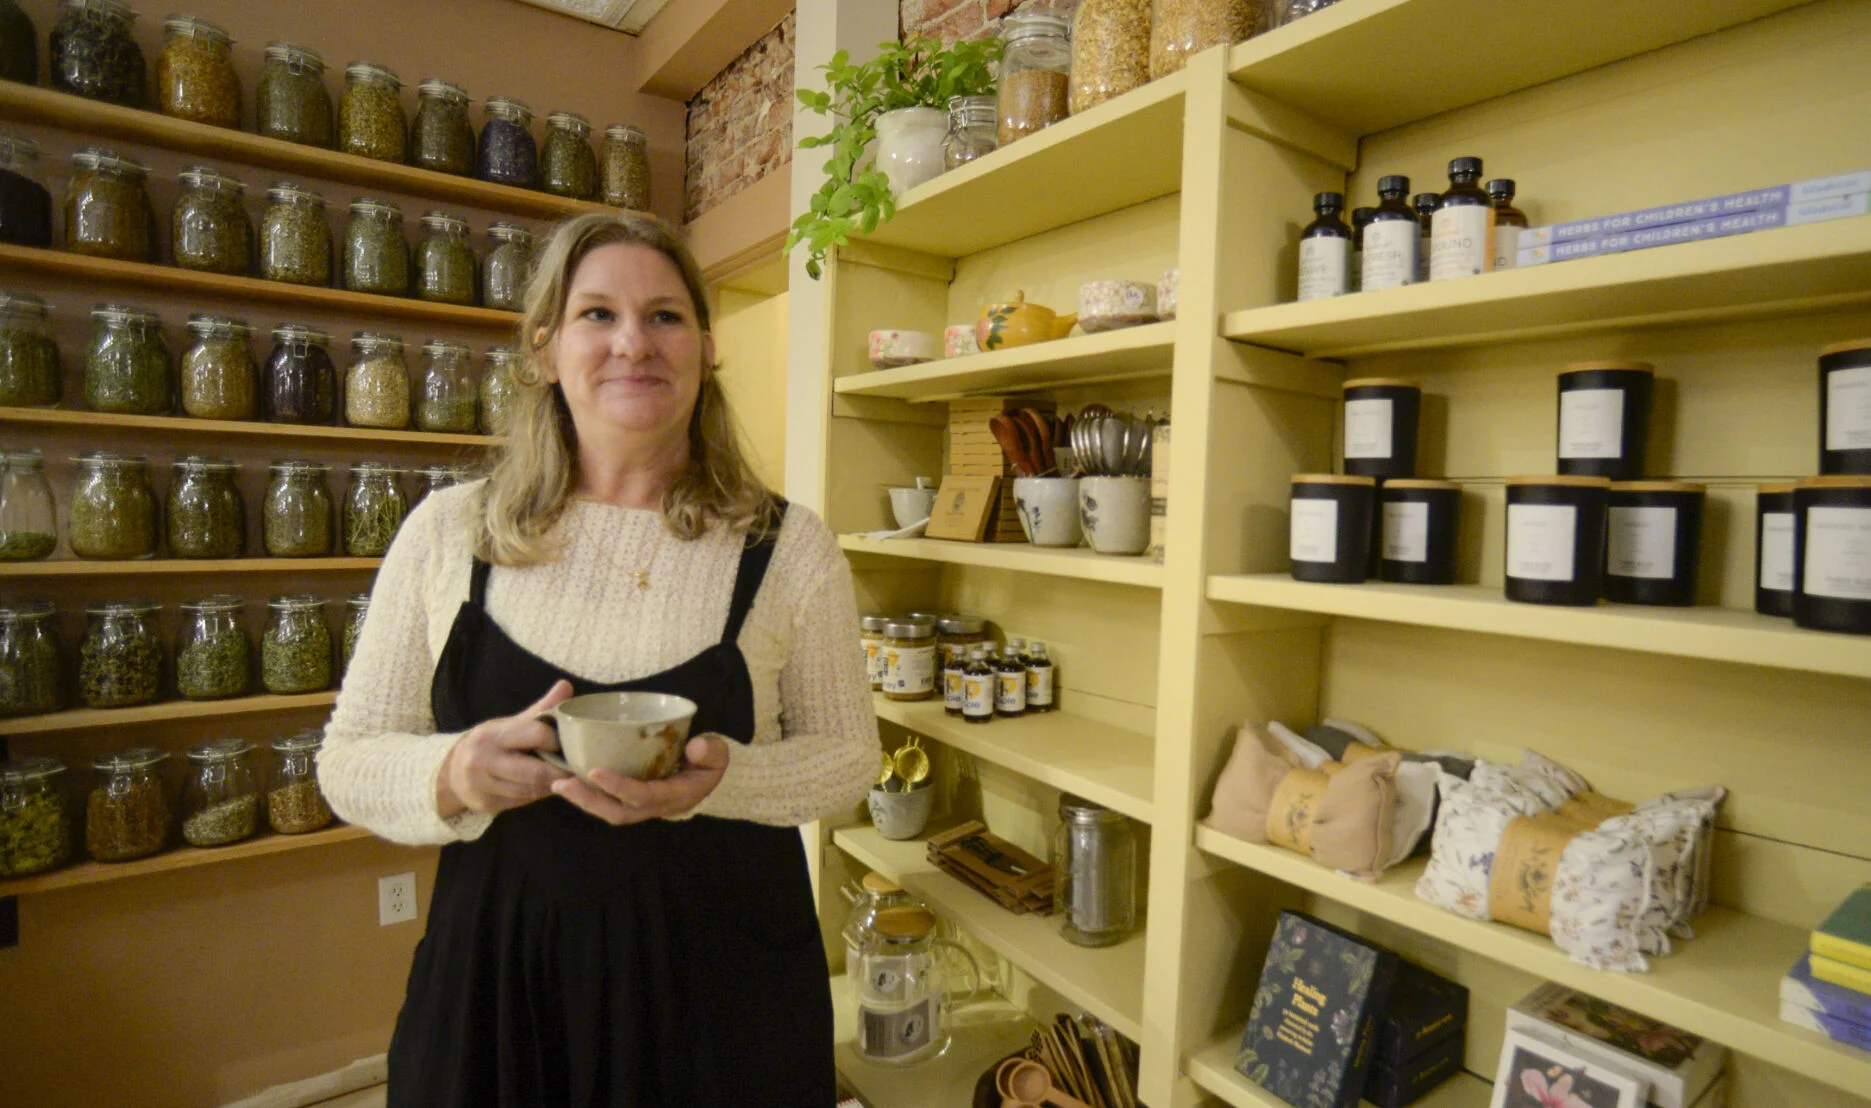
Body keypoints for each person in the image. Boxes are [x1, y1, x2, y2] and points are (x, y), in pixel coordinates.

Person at [318, 211, 879, 1107]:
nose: (633, 343)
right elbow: (347, 762)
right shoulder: (446, 535)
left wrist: (723, 781)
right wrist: (455, 770)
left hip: (721, 993)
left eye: (664, 316)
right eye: (597, 315)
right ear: (544, 350)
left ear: (704, 345)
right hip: (501, 987)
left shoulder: (786, 546)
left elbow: (850, 759)